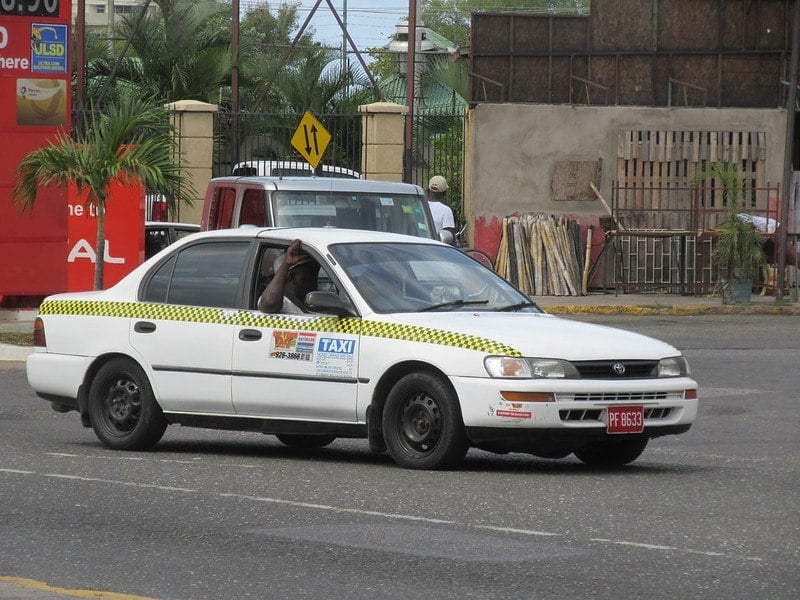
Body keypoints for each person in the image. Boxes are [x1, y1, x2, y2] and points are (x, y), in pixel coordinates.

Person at [258, 239, 319, 313]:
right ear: (292, 277)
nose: (315, 278)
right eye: (310, 274)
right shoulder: (281, 300)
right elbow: (269, 303)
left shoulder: (308, 299)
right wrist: (287, 263)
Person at [427, 175, 456, 241]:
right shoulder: (446, 210)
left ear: (428, 189)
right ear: (445, 192)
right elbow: (449, 237)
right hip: (436, 248)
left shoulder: (420, 206)